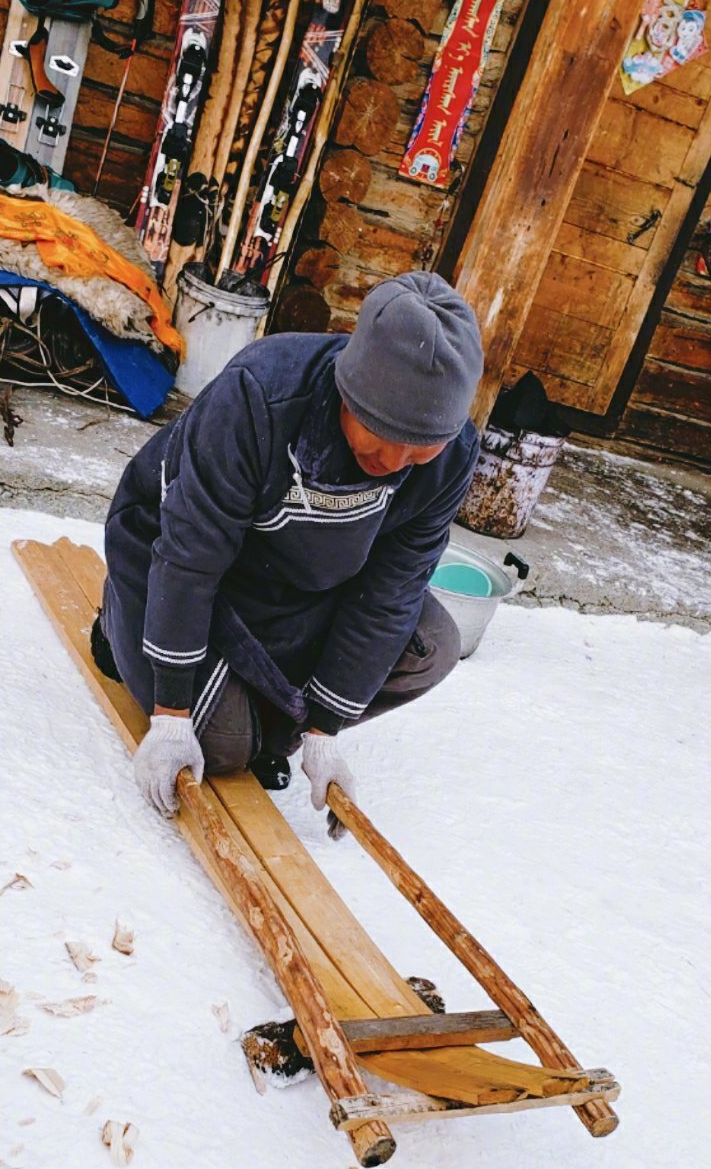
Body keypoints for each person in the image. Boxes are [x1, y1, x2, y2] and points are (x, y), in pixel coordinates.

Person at [95, 270, 483, 835]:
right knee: (222, 752)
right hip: (185, 570)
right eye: (380, 432)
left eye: (420, 447)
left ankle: (265, 717)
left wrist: (326, 728)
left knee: (434, 646)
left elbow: (389, 594)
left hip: (300, 588)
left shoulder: (449, 460)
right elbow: (189, 554)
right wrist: (172, 712)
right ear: (349, 388)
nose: (396, 459)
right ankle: (122, 627)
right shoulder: (261, 397)